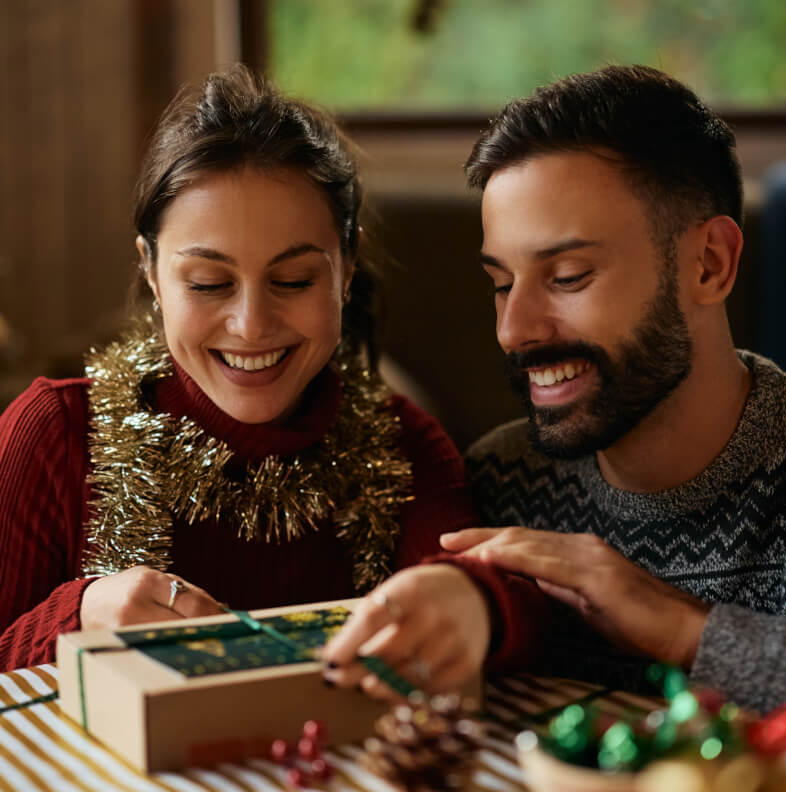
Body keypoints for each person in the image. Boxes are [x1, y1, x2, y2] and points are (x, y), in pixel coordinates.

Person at [0, 65, 548, 687]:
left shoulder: (404, 448)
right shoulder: (54, 434)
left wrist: (470, 600)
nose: (252, 324)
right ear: (151, 273)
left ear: (346, 268)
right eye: (209, 283)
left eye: (294, 281)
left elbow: (510, 600)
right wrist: (77, 616)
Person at [441, 64, 786, 714]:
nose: (513, 329)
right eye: (501, 282)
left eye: (569, 275)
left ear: (708, 265)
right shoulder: (497, 482)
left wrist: (682, 627)